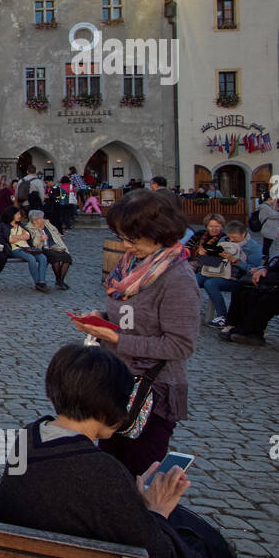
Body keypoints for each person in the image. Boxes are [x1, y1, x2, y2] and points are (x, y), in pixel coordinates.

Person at [0, 345, 218, 558]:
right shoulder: (103, 472)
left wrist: (132, 503)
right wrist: (157, 511)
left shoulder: (29, 438)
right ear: (106, 408)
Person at [74, 188, 198, 476]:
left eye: (133, 238)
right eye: (122, 237)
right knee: (110, 472)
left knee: (138, 475)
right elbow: (130, 318)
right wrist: (102, 319)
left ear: (159, 232)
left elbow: (180, 346)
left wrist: (116, 339)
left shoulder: (177, 278)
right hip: (116, 384)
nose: (127, 245)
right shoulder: (131, 266)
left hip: (151, 393)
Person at [200, 220, 262, 328]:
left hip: (236, 278)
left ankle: (222, 317)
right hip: (217, 271)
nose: (231, 240)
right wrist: (206, 254)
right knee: (194, 279)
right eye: (230, 237)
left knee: (210, 284)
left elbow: (253, 270)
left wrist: (235, 260)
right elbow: (212, 261)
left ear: (243, 234)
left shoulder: (253, 248)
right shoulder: (224, 240)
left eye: (235, 238)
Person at [26, 209, 73, 290]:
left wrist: (59, 236)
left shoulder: (47, 224)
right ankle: (60, 282)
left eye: (42, 217)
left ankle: (60, 280)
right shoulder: (29, 228)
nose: (43, 219)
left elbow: (55, 232)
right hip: (43, 248)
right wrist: (40, 238)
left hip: (55, 245)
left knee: (67, 258)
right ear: (35, 220)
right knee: (55, 258)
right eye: (41, 218)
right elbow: (34, 244)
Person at [4, 206, 49, 290]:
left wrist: (17, 237)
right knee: (31, 259)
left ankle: (42, 281)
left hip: (27, 248)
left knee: (43, 258)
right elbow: (10, 239)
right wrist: (22, 236)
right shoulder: (7, 226)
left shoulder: (20, 225)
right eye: (17, 214)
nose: (19, 216)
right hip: (16, 249)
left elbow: (27, 236)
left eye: (19, 214)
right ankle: (37, 282)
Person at [255, 191, 279, 261]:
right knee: (268, 245)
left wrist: (275, 206)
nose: (275, 200)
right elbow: (276, 215)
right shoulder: (265, 207)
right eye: (274, 199)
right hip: (269, 229)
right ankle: (266, 259)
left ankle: (266, 259)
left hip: (269, 229)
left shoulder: (268, 206)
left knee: (267, 245)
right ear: (269, 199)